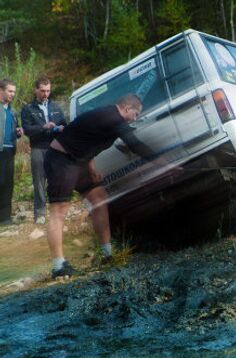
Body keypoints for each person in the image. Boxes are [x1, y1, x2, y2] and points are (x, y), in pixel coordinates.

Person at [45, 94, 166, 278]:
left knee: (99, 198)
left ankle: (107, 254)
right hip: (61, 160)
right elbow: (135, 145)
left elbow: (88, 139)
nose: (135, 119)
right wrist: (164, 163)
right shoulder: (112, 118)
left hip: (80, 162)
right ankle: (58, 266)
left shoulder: (110, 117)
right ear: (126, 108)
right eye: (135, 114)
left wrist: (91, 167)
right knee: (59, 210)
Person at [21, 76, 67, 224]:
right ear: (36, 90)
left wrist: (61, 128)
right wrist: (43, 127)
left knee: (57, 179)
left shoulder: (56, 107)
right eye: (42, 91)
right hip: (37, 148)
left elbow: (65, 125)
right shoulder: (28, 109)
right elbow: (27, 129)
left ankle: (56, 211)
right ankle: (40, 213)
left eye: (48, 91)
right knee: (39, 181)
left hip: (55, 148)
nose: (46, 94)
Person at [0, 79, 23, 226]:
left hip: (9, 151)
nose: (13, 94)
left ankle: (5, 218)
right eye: (10, 91)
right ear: (1, 90)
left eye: (14, 91)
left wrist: (19, 132)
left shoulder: (13, 112)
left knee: (8, 184)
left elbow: (15, 130)